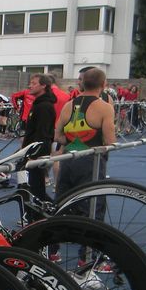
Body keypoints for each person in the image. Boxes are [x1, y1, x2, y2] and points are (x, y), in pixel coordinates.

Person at [54, 67, 115, 218]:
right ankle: (91, 237)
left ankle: (58, 234)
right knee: (92, 202)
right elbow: (110, 141)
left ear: (83, 83)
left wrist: (72, 141)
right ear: (103, 84)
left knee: (63, 200)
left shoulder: (69, 105)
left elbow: (57, 135)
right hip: (91, 161)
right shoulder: (105, 108)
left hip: (68, 159)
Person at [21, 74, 57, 200]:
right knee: (34, 188)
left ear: (43, 86)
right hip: (32, 150)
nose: (30, 86)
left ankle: (50, 214)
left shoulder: (44, 106)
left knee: (37, 189)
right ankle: (37, 215)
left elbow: (43, 134)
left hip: (37, 152)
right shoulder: (38, 104)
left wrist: (33, 156)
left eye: (34, 83)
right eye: (30, 83)